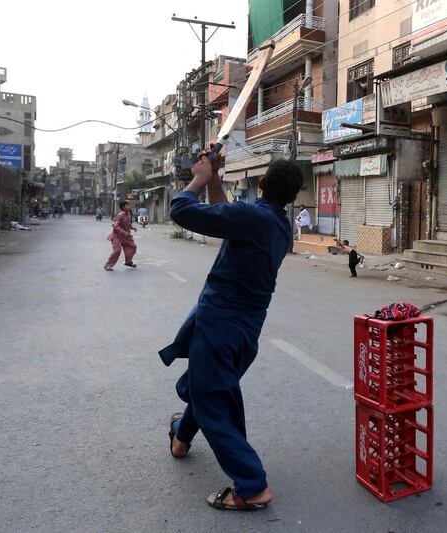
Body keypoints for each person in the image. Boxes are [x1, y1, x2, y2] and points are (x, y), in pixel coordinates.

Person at [160, 149, 303, 512]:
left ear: (261, 184)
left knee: (214, 403)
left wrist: (198, 177)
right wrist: (216, 178)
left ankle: (253, 486)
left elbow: (179, 209)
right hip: (243, 333)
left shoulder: (250, 216)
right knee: (209, 389)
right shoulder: (277, 226)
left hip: (220, 328)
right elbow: (224, 217)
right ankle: (180, 437)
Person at [103, 200, 137, 271]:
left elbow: (128, 222)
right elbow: (115, 227)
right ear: (123, 207)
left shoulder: (129, 214)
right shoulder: (120, 215)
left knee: (132, 247)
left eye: (129, 205)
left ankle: (128, 262)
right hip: (117, 236)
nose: (129, 207)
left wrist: (132, 227)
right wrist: (124, 232)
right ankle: (108, 265)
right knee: (117, 250)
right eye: (127, 205)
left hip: (126, 236)